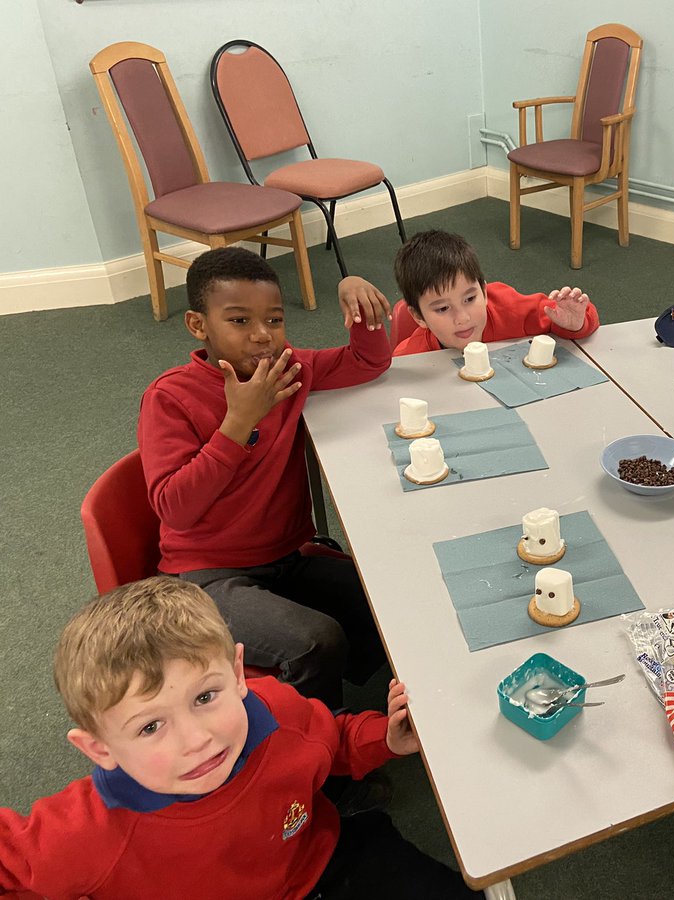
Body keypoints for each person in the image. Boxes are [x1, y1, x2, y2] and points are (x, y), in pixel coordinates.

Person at [0, 577, 480, 899]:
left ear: (236, 675)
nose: (197, 739)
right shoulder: (84, 833)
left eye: (205, 697)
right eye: (150, 726)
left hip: (324, 861)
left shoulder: (275, 710)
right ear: (99, 748)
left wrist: (384, 739)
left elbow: (331, 738)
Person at [138, 247, 392, 709]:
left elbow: (367, 362)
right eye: (239, 321)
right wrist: (238, 423)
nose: (262, 335)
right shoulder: (169, 397)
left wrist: (358, 304)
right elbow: (175, 508)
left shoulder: (288, 370)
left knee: (387, 595)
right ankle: (323, 743)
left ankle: (363, 695)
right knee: (316, 642)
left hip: (284, 557)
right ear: (198, 325)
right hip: (205, 576)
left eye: (274, 320)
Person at [337, 229, 599, 356]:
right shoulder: (412, 355)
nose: (462, 318)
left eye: (470, 298)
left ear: (484, 290)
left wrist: (575, 323)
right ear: (417, 317)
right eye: (442, 308)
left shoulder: (509, 307)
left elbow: (567, 319)